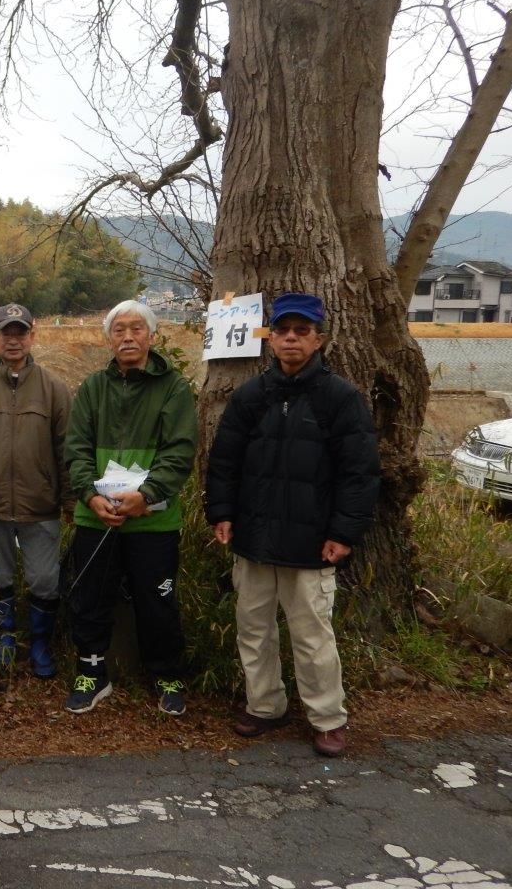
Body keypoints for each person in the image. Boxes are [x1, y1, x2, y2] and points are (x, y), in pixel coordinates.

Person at [205, 292, 380, 758]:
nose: (291, 339)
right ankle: (265, 705)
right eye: (283, 331)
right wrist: (221, 513)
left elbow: (359, 472)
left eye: (302, 332)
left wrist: (344, 533)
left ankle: (327, 717)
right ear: (271, 338)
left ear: (319, 339)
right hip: (253, 538)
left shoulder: (340, 398)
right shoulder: (251, 396)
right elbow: (224, 462)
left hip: (311, 543)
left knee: (312, 634)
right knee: (254, 629)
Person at [62, 300, 196, 717]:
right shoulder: (92, 388)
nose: (128, 337)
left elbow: (179, 451)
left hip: (152, 519)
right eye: (119, 330)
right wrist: (90, 495)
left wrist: (149, 494)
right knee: (92, 596)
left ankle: (167, 674)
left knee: (157, 600)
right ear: (109, 338)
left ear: (152, 337)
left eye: (137, 329)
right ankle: (92, 671)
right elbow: (76, 449)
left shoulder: (173, 388)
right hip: (96, 515)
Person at [0, 303, 73, 677]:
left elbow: (66, 449)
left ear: (32, 335)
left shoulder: (54, 388)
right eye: (5, 333)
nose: (13, 340)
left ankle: (40, 643)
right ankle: (4, 637)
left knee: (45, 579)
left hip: (40, 505)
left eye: (20, 332)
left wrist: (70, 500)